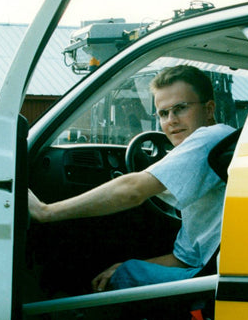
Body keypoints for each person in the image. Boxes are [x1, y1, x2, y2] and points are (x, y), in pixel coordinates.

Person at [28, 64, 236, 292]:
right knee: (122, 270)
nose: (171, 120)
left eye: (180, 108)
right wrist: (124, 267)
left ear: (209, 109)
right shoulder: (218, 142)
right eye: (163, 113)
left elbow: (133, 190)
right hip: (212, 270)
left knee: (114, 275)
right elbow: (186, 258)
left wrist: (46, 212)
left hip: (214, 277)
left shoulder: (210, 138)